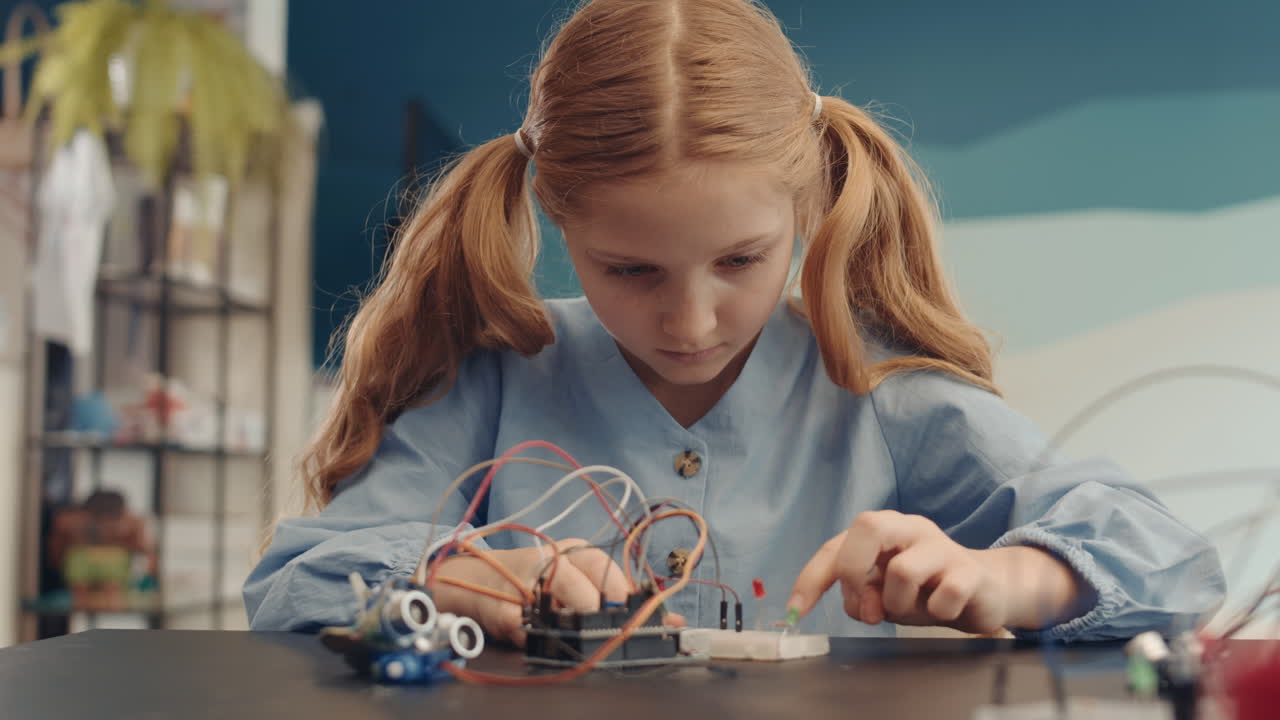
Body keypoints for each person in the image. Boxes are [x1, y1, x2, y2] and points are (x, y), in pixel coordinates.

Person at [244, 0, 1223, 644]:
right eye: (629, 269)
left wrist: (1017, 577)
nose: (689, 318)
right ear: (557, 222)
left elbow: (1169, 554)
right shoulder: (497, 378)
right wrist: (454, 573)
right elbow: (295, 583)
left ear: (802, 212)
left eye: (740, 262)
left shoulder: (877, 394)